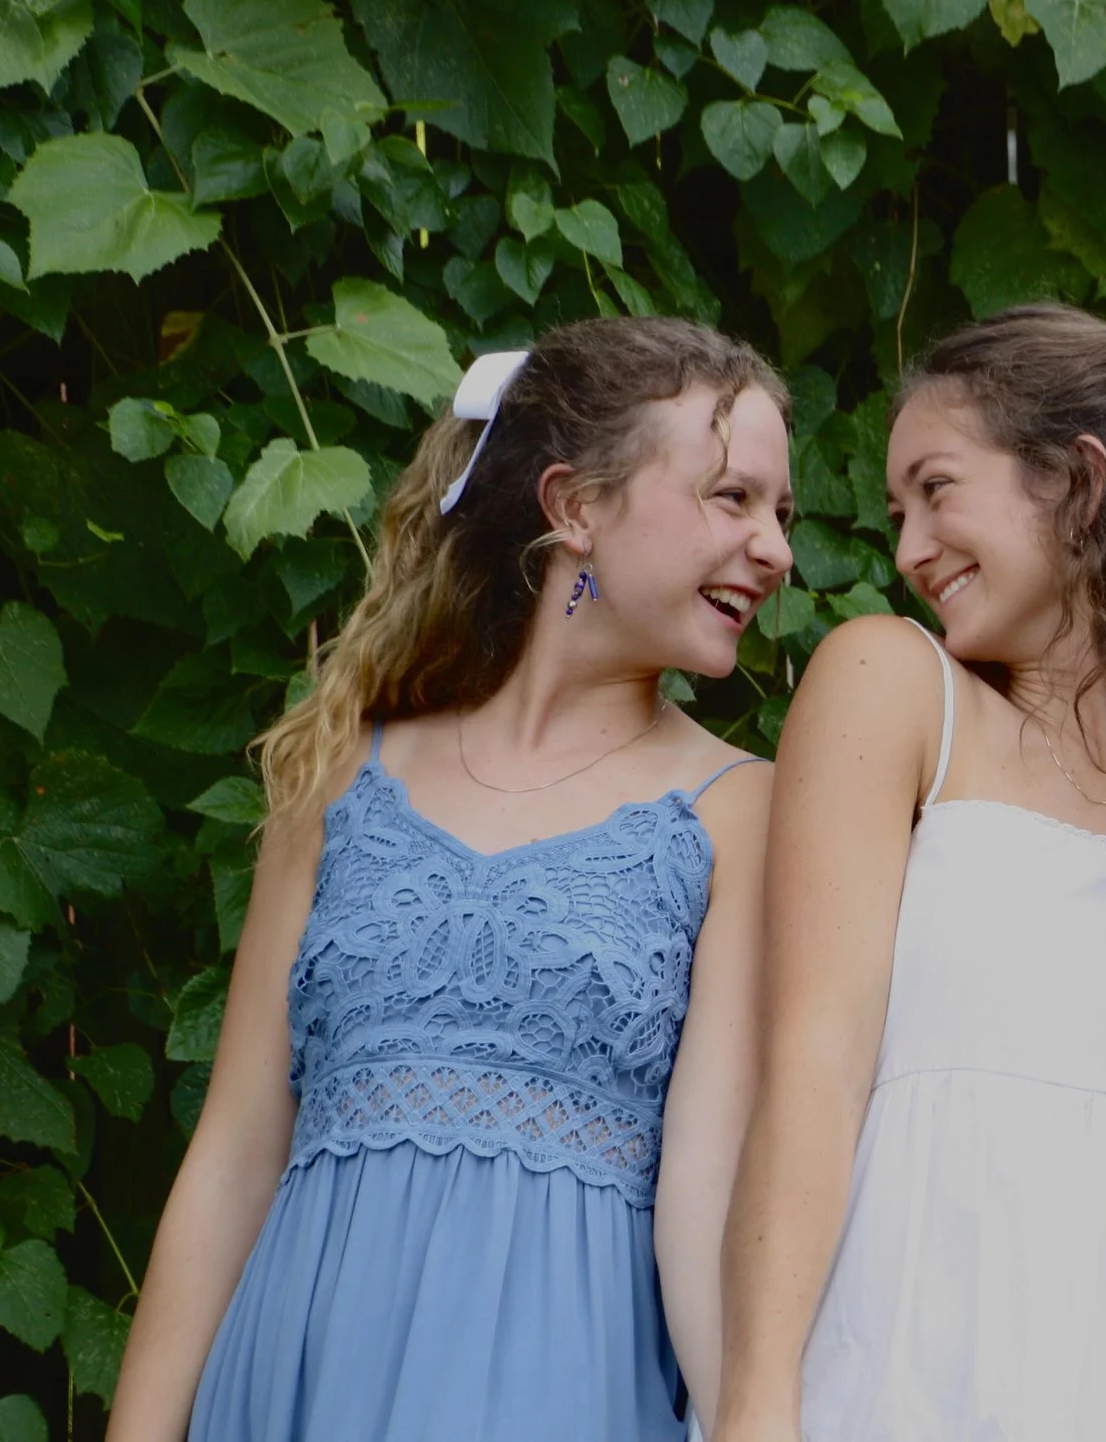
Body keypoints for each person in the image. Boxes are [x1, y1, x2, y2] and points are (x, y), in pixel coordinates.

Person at [107, 316, 794, 1442]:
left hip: (559, 1394)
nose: (774, 549)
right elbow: (234, 1152)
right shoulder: (341, 772)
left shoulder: (742, 811)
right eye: (733, 498)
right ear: (575, 506)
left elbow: (703, 1195)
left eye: (781, 514)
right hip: (296, 1383)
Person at [710, 305, 1106, 1442]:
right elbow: (812, 1066)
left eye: (936, 489)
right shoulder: (895, 692)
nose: (909, 550)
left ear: (1080, 482)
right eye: (898, 514)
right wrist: (757, 1402)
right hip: (914, 1384)